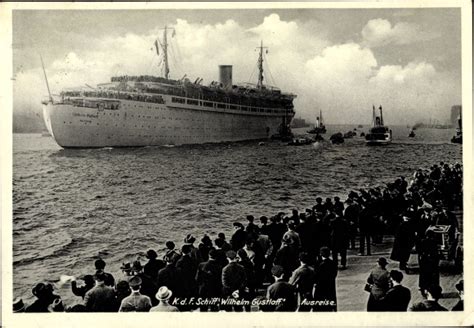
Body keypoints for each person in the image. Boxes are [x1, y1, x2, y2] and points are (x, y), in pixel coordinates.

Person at [313, 247, 337, 312]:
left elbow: (315, 275)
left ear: (321, 254)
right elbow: (334, 274)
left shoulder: (318, 263)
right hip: (330, 286)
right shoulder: (333, 263)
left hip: (320, 287)